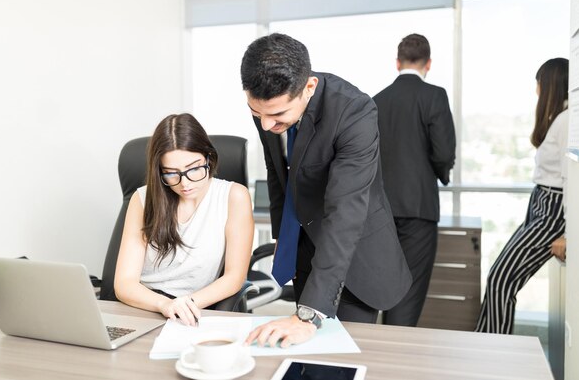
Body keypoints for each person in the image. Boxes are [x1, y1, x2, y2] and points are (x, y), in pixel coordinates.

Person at [241, 33, 412, 348]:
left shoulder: (354, 112)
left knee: (341, 359)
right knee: (306, 355)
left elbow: (345, 212)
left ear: (309, 88)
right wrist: (283, 239)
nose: (265, 125)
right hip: (304, 244)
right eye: (257, 112)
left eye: (277, 116)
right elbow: (279, 174)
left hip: (352, 254)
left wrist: (310, 314)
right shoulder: (268, 107)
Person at [114, 113, 254, 326]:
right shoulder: (142, 198)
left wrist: (184, 305)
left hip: (194, 309)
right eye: (171, 173)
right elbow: (124, 283)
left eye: (195, 168)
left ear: (209, 157)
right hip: (146, 306)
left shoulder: (233, 196)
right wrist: (164, 305)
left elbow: (234, 277)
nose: (185, 183)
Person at [476, 58, 569, 334]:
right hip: (541, 204)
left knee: (501, 280)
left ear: (550, 85)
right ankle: (487, 346)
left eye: (538, 84)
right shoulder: (560, 119)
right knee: (498, 277)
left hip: (552, 210)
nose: (536, 91)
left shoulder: (567, 121)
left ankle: (493, 353)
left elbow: (572, 182)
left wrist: (570, 235)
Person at [373, 33, 456, 327]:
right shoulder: (434, 96)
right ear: (428, 64)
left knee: (378, 286)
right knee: (408, 293)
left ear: (397, 63)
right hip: (419, 208)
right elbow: (444, 152)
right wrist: (440, 174)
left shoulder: (376, 101)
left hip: (379, 210)